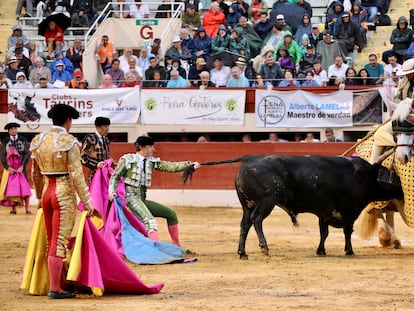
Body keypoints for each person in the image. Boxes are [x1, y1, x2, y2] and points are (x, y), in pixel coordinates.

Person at [30, 104, 94, 299]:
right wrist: (87, 201)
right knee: (59, 242)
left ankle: (56, 283)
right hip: (63, 194)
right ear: (68, 121)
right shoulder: (69, 141)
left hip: (48, 193)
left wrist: (40, 197)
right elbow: (76, 174)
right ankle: (56, 288)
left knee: (52, 240)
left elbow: (35, 174)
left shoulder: (38, 140)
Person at [108, 135, 200, 250]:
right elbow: (115, 176)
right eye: (150, 146)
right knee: (150, 221)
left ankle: (177, 246)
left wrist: (188, 165)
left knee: (171, 214)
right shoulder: (128, 160)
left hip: (142, 199)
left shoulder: (151, 162)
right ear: (141, 147)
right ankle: (156, 250)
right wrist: (111, 192)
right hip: (130, 199)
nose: (153, 149)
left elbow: (169, 166)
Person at [370, 58, 414, 164]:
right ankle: (372, 165)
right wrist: (403, 107)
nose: (408, 76)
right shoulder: (404, 81)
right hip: (404, 116)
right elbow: (396, 98)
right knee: (380, 132)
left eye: (410, 73)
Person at [0, 122, 31, 215]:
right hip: (11, 170)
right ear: (9, 131)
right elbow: (2, 156)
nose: (14, 130)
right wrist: (8, 167)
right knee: (12, 189)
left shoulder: (23, 139)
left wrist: (22, 166)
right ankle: (13, 209)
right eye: (12, 129)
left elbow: (27, 154)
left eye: (15, 128)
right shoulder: (5, 141)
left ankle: (27, 209)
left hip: (21, 169)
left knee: (25, 189)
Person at [81, 116, 113, 184]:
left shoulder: (105, 139)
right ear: (97, 127)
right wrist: (96, 164)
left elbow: (107, 157)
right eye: (105, 126)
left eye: (108, 126)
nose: (107, 129)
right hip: (95, 174)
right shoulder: (90, 139)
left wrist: (113, 163)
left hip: (106, 174)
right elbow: (83, 158)